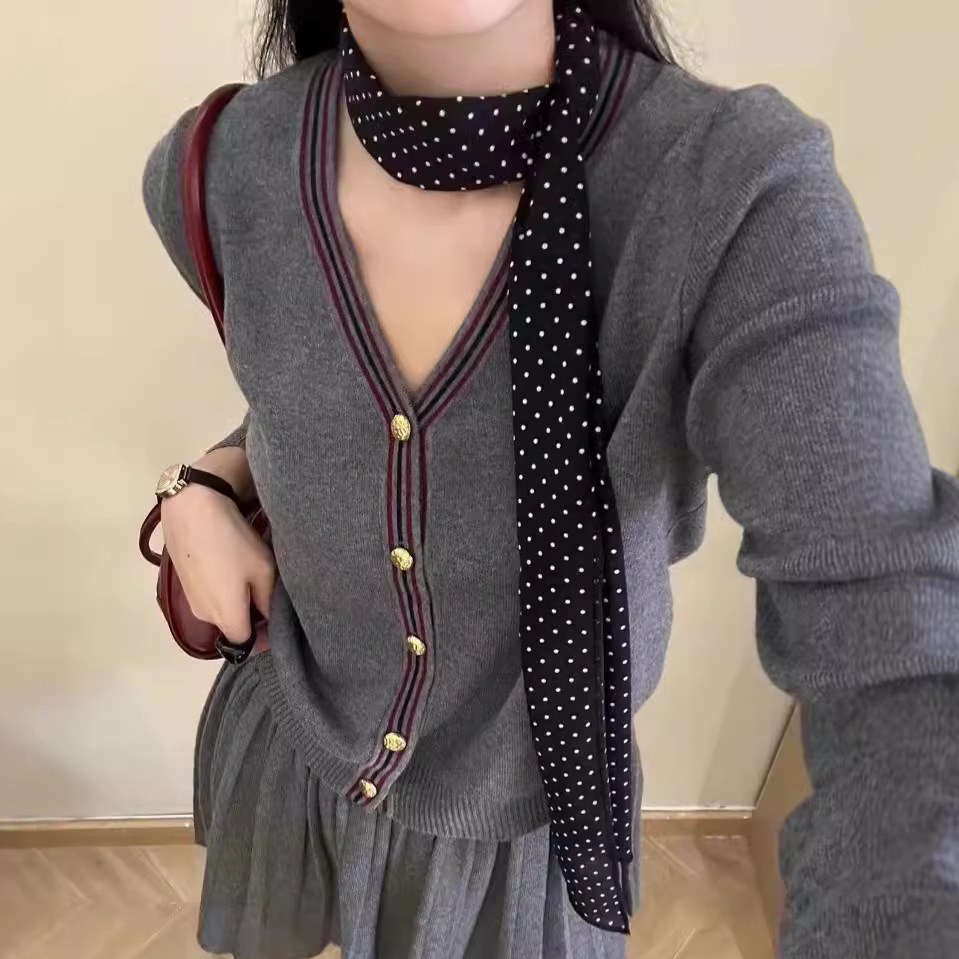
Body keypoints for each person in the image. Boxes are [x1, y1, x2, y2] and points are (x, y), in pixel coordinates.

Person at [143, 1, 959, 957]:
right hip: (292, 751)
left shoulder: (736, 195)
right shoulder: (217, 167)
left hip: (529, 822)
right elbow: (313, 396)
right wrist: (198, 486)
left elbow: (894, 646)